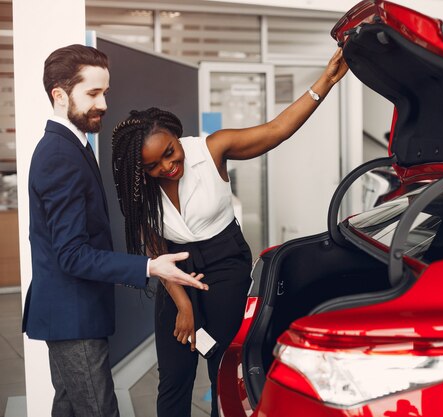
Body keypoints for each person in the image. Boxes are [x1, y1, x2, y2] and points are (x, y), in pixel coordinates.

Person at [110, 47, 348, 417]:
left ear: (176, 135)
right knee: (173, 376)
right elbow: (157, 251)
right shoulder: (140, 187)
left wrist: (326, 82)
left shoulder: (211, 149)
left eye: (170, 153)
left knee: (222, 369)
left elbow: (276, 130)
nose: (168, 166)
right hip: (175, 269)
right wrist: (184, 305)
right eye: (153, 165)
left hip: (225, 263)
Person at [22, 44, 208, 417]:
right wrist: (151, 267)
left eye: (104, 92)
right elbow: (72, 254)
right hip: (71, 317)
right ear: (59, 95)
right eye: (92, 93)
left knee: (70, 407)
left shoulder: (73, 145)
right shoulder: (59, 154)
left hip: (70, 312)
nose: (104, 104)